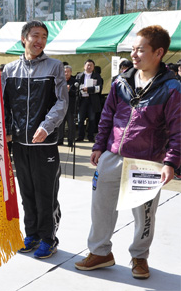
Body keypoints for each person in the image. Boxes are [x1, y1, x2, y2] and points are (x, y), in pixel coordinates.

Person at [75, 25, 181, 279]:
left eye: (140, 50)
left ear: (158, 52)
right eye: (132, 49)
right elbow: (107, 116)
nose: (134, 54)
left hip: (147, 161)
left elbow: (178, 128)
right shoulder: (121, 81)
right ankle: (100, 252)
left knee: (144, 214)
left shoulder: (172, 88)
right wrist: (99, 146)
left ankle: (139, 257)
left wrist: (171, 162)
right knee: (101, 206)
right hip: (112, 155)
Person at [2, 20, 68, 259]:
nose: (39, 40)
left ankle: (49, 239)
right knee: (27, 191)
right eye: (34, 35)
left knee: (46, 193)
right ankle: (31, 234)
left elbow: (62, 102)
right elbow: (5, 106)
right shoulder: (9, 71)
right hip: (20, 144)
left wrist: (46, 126)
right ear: (24, 39)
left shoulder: (54, 67)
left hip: (45, 144)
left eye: (43, 36)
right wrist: (9, 131)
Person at [75, 59, 103, 142]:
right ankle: (80, 136)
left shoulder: (97, 76)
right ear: (84, 66)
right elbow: (76, 87)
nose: (89, 66)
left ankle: (90, 136)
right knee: (80, 119)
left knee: (92, 119)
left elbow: (99, 88)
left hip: (92, 100)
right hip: (82, 100)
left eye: (91, 65)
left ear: (93, 67)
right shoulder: (79, 76)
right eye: (88, 65)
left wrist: (89, 89)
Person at [58, 65, 77, 146]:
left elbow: (77, 93)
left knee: (71, 124)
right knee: (60, 124)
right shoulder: (59, 80)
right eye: (65, 71)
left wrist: (69, 91)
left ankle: (70, 141)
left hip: (70, 106)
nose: (66, 73)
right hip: (60, 105)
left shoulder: (75, 81)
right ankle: (59, 140)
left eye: (68, 71)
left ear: (71, 72)